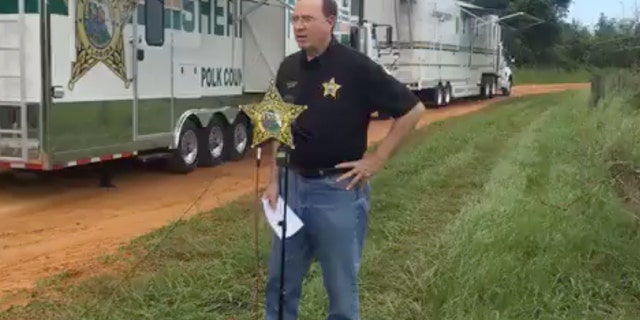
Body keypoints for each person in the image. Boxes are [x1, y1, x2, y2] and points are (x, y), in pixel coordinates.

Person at [262, 0, 426, 319]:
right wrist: (272, 179)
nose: (298, 26)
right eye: (295, 19)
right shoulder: (288, 68)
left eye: (307, 19)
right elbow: (275, 124)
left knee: (340, 290)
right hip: (291, 189)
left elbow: (413, 110)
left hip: (336, 191)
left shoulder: (356, 67)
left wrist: (376, 160)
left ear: (331, 22)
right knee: (280, 283)